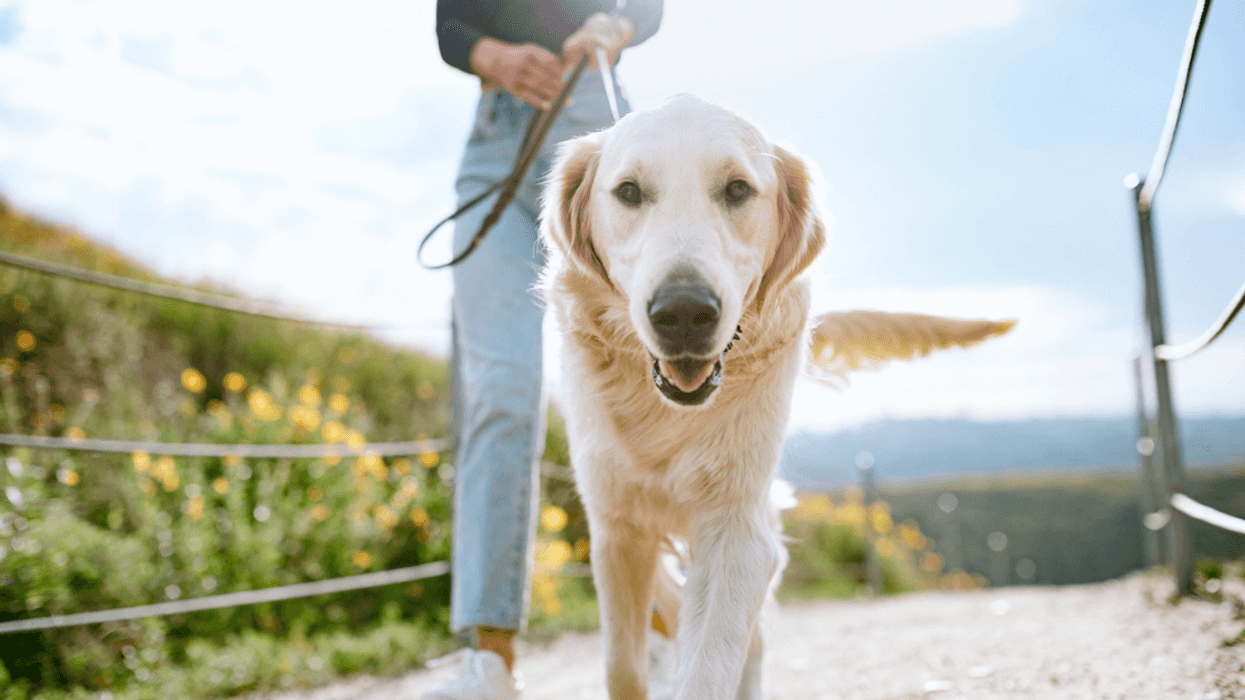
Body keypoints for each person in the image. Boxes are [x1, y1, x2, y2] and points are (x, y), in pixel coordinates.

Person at [425, 2, 663, 699]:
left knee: (634, 381)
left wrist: (612, 33)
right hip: (495, 141)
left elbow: (646, 7)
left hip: (593, 120)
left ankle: (668, 621)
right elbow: (450, 26)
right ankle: (489, 660)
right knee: (501, 387)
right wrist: (494, 57)